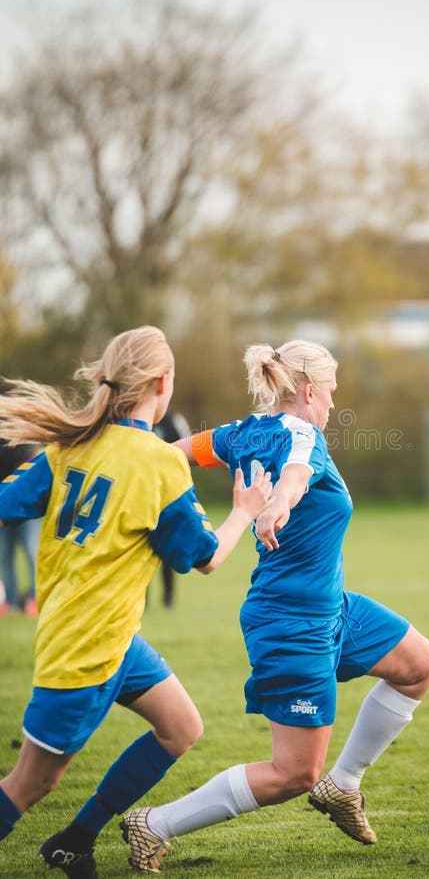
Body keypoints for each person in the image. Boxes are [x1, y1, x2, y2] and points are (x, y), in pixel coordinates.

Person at [121, 339, 429, 871]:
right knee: (294, 774)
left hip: (331, 608)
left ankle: (344, 788)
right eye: (332, 392)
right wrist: (275, 506)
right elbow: (294, 476)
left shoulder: (243, 432)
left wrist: (123, 463)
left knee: (421, 665)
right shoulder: (303, 436)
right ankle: (153, 824)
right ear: (311, 389)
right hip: (291, 623)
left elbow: (172, 454)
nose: (335, 404)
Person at [0, 326, 272, 879]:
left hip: (110, 638)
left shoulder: (67, 448)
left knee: (181, 728)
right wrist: (245, 509)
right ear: (161, 384)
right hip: (85, 652)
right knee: (30, 785)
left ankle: (76, 840)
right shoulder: (158, 462)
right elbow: (206, 557)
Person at [152, 408, 193, 607]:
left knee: (168, 550)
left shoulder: (174, 420)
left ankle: (168, 598)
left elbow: (188, 450)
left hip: (168, 496)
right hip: (142, 495)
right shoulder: (139, 421)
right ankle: (142, 601)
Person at [0, 441, 40, 616]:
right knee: (4, 556)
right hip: (2, 502)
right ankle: (11, 601)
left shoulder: (22, 433)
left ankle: (34, 598)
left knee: (32, 553)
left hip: (26, 504)